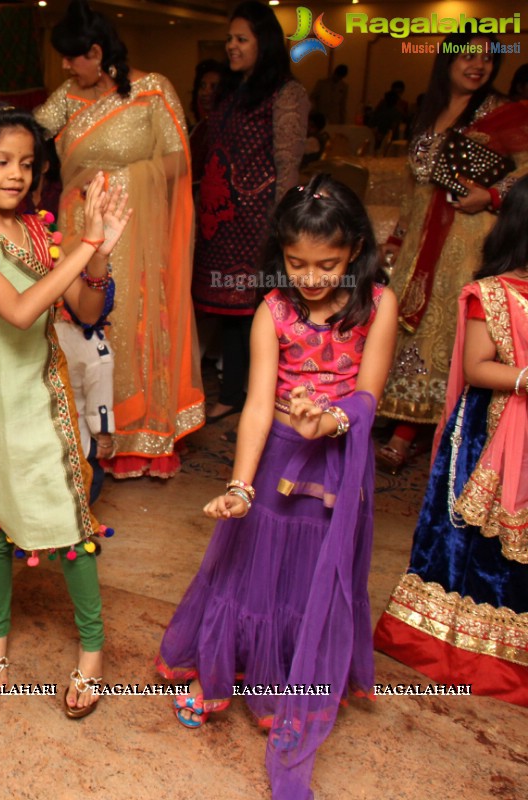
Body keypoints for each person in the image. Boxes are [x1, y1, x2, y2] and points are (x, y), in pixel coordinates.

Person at [156, 175, 397, 798]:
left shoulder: (376, 304)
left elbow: (370, 392)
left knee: (316, 571)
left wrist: (336, 418)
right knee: (253, 570)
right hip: (280, 454)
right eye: (296, 263)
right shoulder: (274, 309)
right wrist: (240, 486)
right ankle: (241, 674)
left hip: (339, 461)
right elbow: (259, 404)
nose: (311, 278)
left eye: (328, 264)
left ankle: (297, 680)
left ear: (356, 251)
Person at [0, 0, 204, 479]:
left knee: (132, 317)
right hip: (77, 222)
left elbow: (177, 159)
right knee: (81, 321)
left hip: (134, 228)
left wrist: (126, 180)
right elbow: (21, 132)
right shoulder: (68, 95)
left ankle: (140, 439)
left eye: (71, 57)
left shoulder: (153, 91)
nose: (64, 67)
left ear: (95, 51)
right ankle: (86, 436)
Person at [0, 102, 130, 718]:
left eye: (26, 163)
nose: (16, 174)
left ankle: (94, 648)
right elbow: (20, 312)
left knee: (70, 526)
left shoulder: (40, 232)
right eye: (0, 161)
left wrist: (96, 253)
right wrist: (85, 244)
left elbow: (86, 306)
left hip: (43, 403)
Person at [374, 178, 528, 707]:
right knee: (477, 537)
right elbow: (477, 368)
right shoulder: (495, 292)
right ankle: (459, 643)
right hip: (494, 430)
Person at [376, 32, 528, 472]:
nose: (478, 65)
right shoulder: (430, 110)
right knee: (402, 315)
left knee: (447, 326)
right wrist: (396, 241)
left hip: (469, 237)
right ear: (447, 61)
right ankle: (402, 413)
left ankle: (414, 432)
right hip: (421, 238)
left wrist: (493, 196)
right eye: (468, 56)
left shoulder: (504, 113)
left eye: (487, 58)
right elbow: (415, 186)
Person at [192, 1, 310, 425]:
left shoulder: (286, 93)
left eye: (241, 39)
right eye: (229, 39)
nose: (231, 46)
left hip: (260, 222)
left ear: (265, 42)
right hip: (221, 222)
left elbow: (287, 165)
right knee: (230, 317)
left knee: (260, 315)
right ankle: (231, 394)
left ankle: (261, 404)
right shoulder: (230, 89)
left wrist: (282, 229)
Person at [189, 59, 227, 189]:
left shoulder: (227, 128)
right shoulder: (199, 127)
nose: (206, 92)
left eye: (213, 87)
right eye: (203, 86)